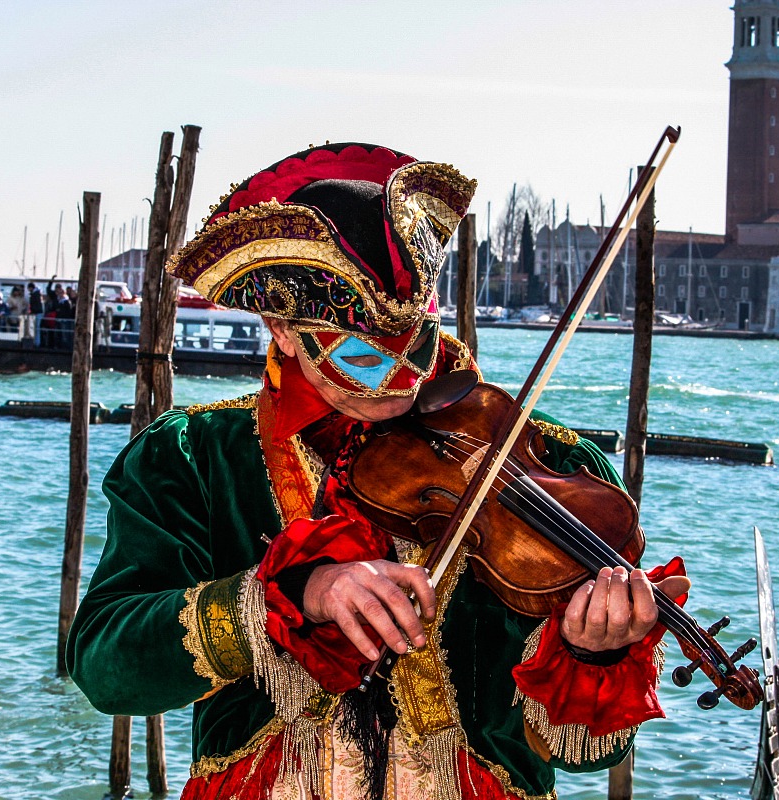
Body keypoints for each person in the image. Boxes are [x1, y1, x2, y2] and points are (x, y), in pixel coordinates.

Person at [68, 143, 689, 800]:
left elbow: (588, 754)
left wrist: (596, 653)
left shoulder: (553, 469)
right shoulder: (191, 457)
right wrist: (284, 598)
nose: (402, 387)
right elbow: (107, 668)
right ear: (283, 330)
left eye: (416, 347)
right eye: (363, 360)